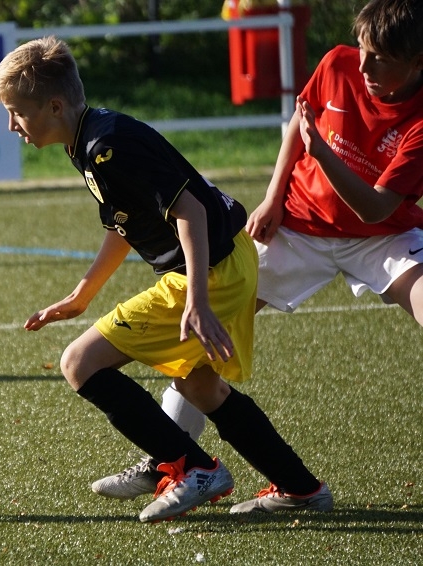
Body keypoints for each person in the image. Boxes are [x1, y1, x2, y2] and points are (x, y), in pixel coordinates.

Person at [95, 0, 423, 514]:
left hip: (382, 236)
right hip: (299, 227)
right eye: (363, 50)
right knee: (201, 331)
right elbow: (299, 126)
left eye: (380, 57)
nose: (363, 65)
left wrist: (324, 154)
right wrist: (273, 197)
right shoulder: (338, 63)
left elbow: (377, 206)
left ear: (418, 61)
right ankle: (172, 461)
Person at [0, 36, 331, 523]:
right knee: (199, 386)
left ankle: (191, 468)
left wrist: (197, 300)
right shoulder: (86, 139)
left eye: (17, 112)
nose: (12, 125)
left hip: (209, 271)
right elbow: (122, 225)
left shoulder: (107, 147)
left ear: (55, 106)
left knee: (79, 362)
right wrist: (80, 296)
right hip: (226, 262)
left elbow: (190, 210)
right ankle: (301, 488)